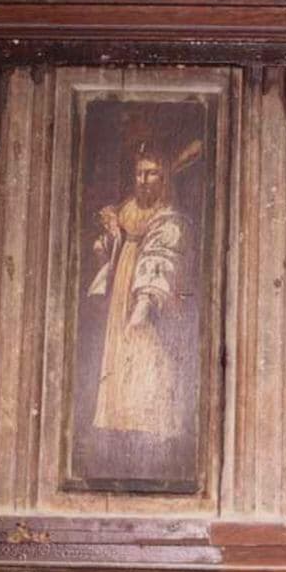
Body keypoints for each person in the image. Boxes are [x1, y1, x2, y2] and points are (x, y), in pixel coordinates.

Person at [88, 150, 188, 439]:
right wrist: (108, 239)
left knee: (147, 353)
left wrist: (144, 302)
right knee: (120, 356)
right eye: (138, 173)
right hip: (122, 286)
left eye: (151, 173)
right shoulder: (128, 208)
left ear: (164, 177)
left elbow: (162, 258)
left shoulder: (169, 216)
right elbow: (112, 243)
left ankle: (146, 429)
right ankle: (118, 421)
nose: (143, 180)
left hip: (146, 292)